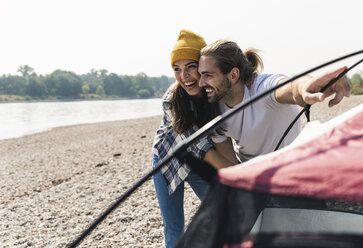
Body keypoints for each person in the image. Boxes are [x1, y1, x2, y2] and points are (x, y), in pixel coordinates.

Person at [197, 39, 351, 166]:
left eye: (208, 75)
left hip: (290, 165)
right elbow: (230, 166)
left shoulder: (261, 88)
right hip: (251, 172)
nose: (201, 83)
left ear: (233, 75)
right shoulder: (213, 109)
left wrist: (306, 87)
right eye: (200, 75)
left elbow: (290, 87)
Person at [152, 31, 237, 248]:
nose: (184, 76)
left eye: (190, 66)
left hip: (197, 163)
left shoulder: (215, 94)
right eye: (177, 69)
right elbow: (201, 147)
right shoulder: (171, 100)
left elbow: (221, 141)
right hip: (167, 163)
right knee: (174, 231)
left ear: (203, 66)